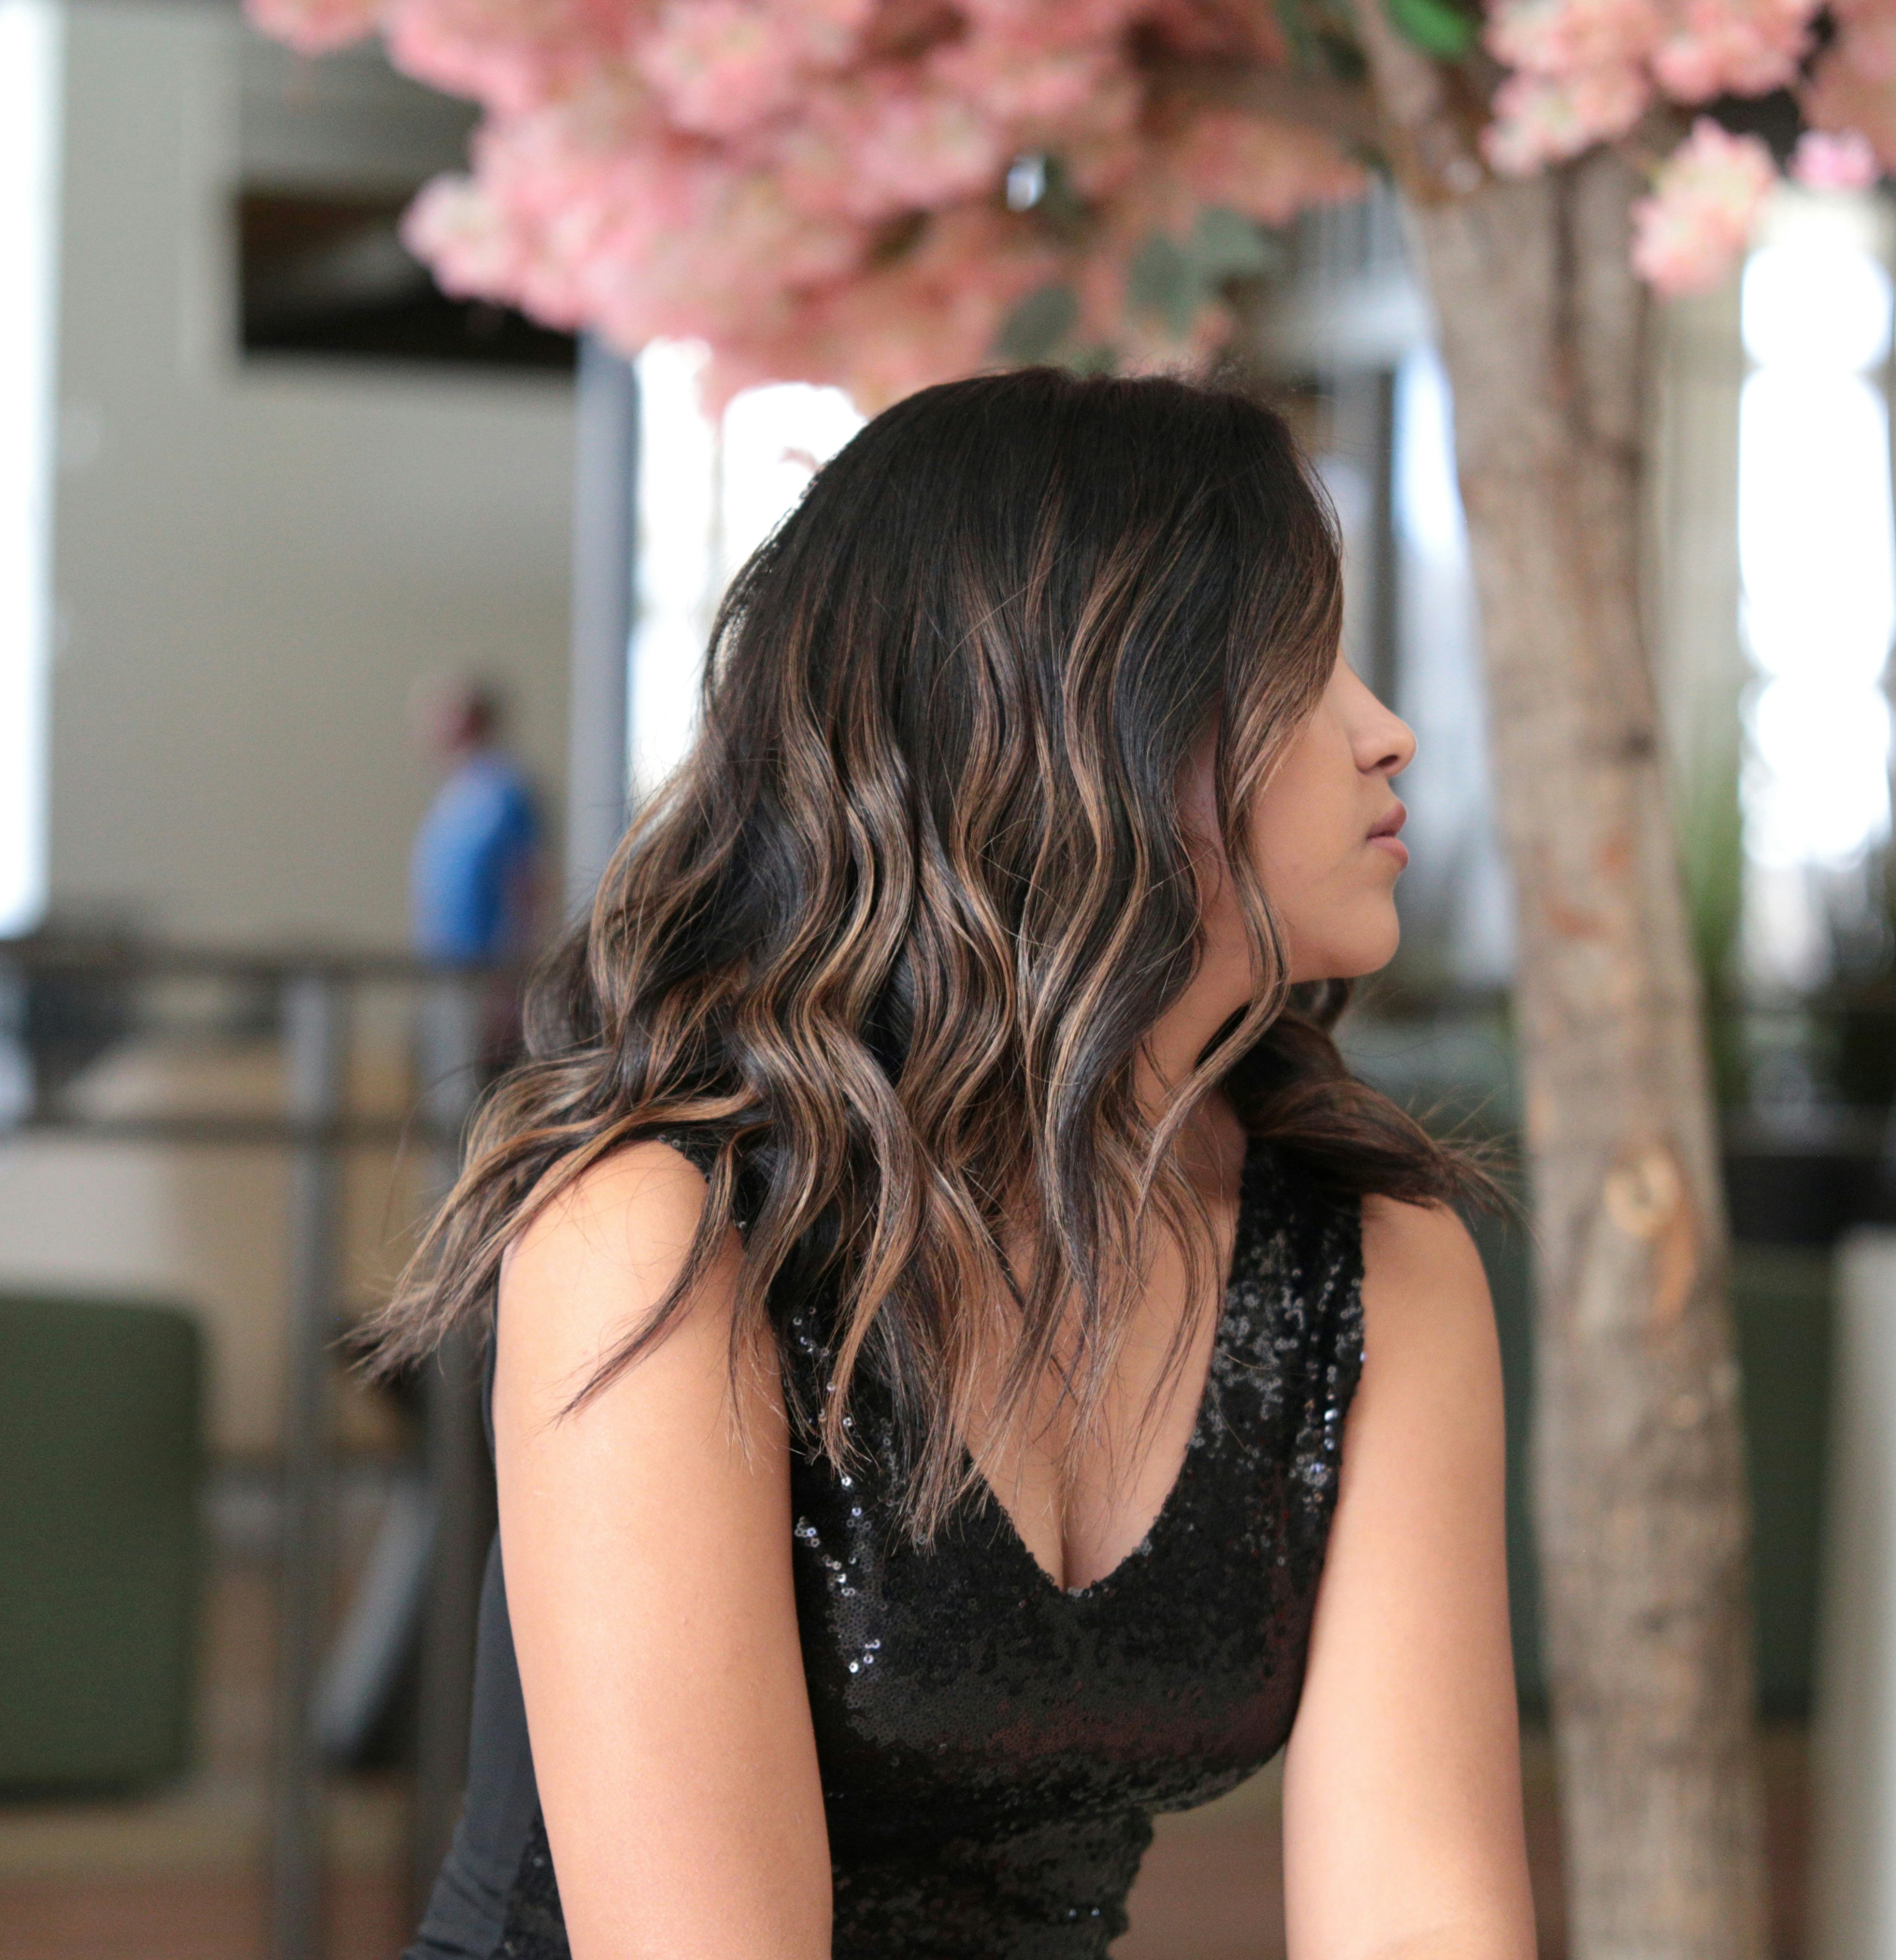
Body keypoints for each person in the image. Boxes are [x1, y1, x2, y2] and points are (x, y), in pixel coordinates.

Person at [384, 370, 1536, 1959]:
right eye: (1302, 663)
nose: (1387, 732)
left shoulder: (1375, 1265)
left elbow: (1426, 1919)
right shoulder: (659, 1233)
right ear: (1073, 723)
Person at [412, 676, 548, 968]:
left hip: (492, 964)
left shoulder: (505, 793)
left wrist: (518, 963)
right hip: (447, 960)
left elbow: (526, 883)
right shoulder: (452, 797)